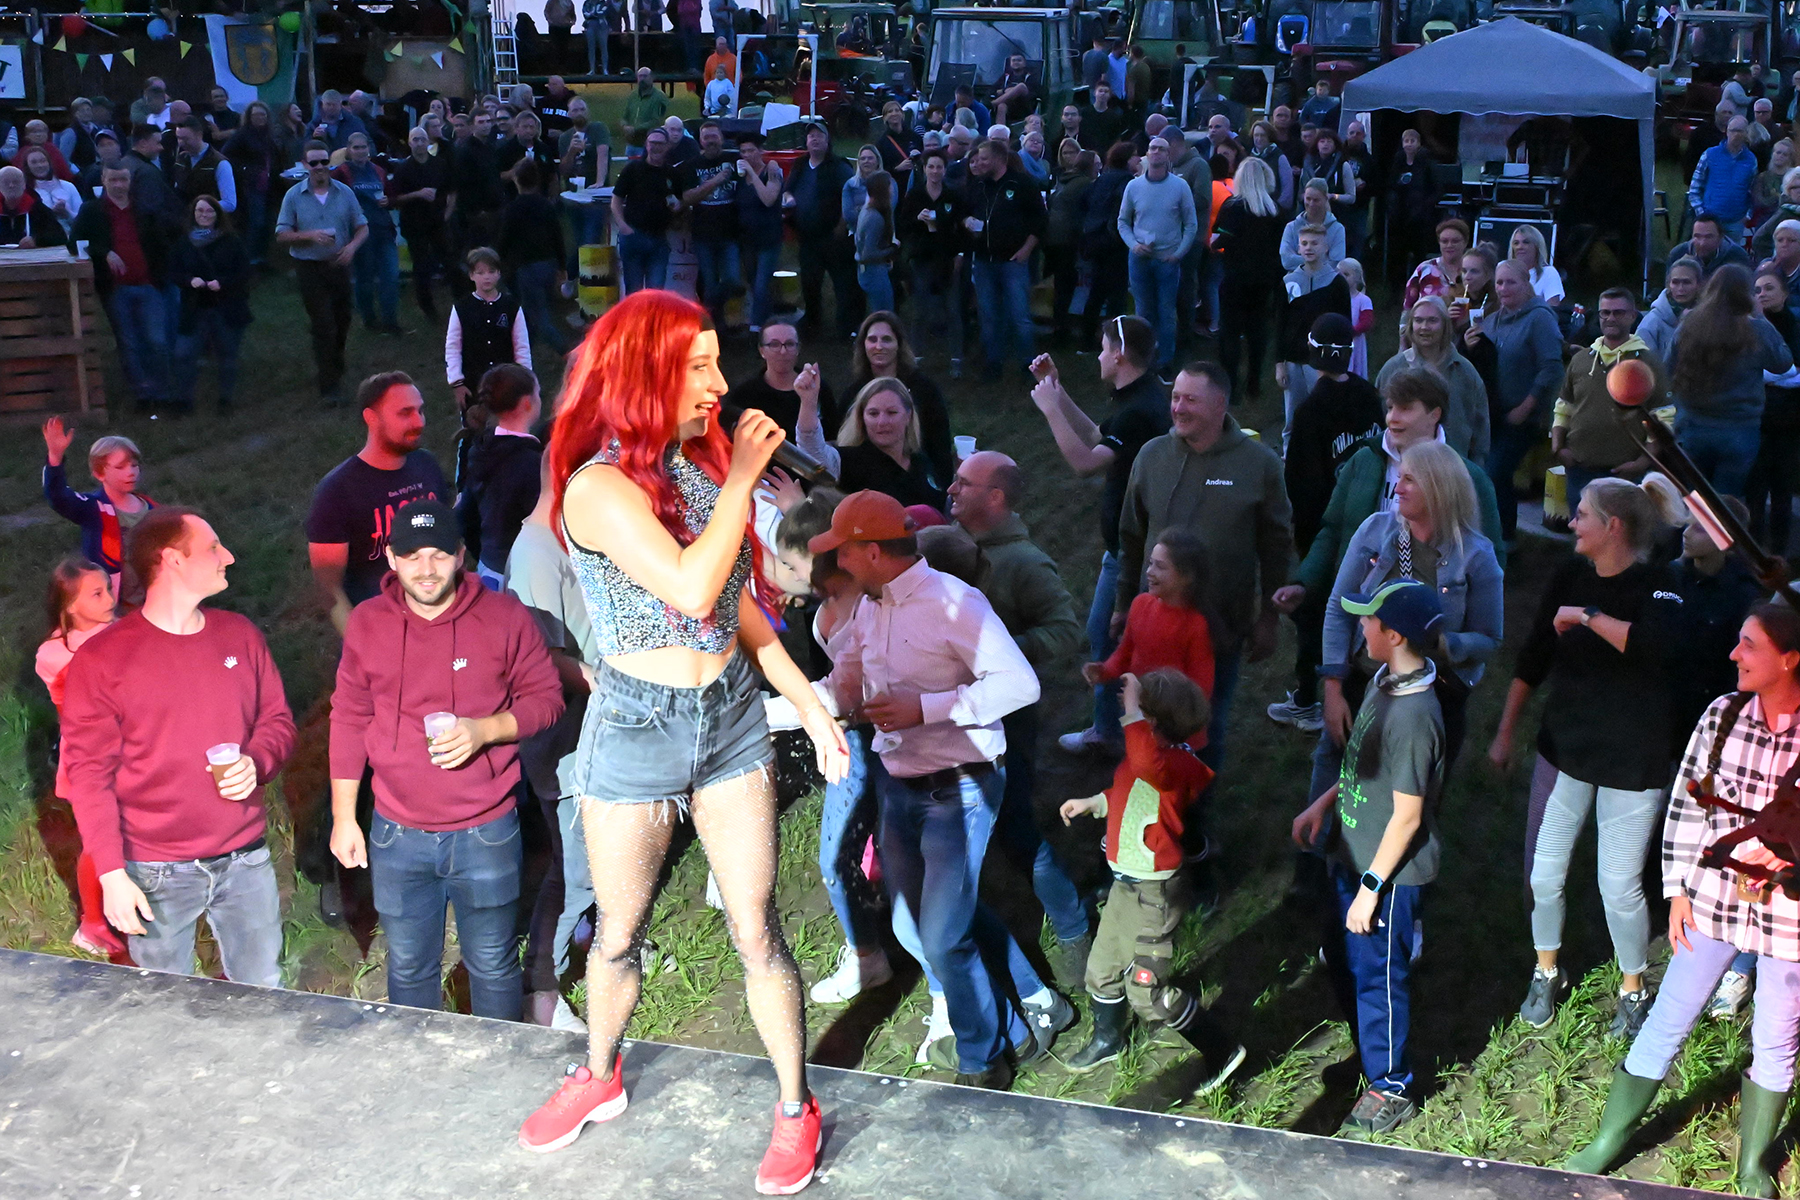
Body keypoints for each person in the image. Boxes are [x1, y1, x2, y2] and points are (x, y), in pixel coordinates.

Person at [517, 293, 849, 1198]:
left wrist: (810, 702)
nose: (719, 384)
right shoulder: (597, 488)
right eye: (697, 366)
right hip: (636, 725)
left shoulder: (696, 469)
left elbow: (735, 606)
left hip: (730, 718)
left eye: (715, 363)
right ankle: (599, 1073)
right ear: (645, 373)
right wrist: (742, 480)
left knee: (758, 929)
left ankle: (796, 1108)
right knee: (619, 931)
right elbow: (690, 590)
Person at [804, 490, 1055, 1090]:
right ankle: (1027, 1015)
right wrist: (771, 709)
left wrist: (928, 708)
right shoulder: (870, 609)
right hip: (900, 786)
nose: (835, 562)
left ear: (871, 552)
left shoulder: (954, 603)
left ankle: (981, 1059)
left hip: (960, 788)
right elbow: (844, 689)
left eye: (842, 551)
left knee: (941, 934)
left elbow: (1020, 684)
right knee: (920, 923)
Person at [1563, 605, 1800, 1196]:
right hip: (1714, 896)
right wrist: (1676, 890)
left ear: (1790, 660)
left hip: (1789, 910)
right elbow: (1688, 806)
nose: (1734, 654)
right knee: (1669, 1015)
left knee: (1776, 1037)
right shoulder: (1723, 715)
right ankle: (1609, 1137)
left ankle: (1752, 1164)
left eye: (1749, 645)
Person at [328, 496, 561, 1023]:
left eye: (438, 554)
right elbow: (349, 716)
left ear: (460, 555)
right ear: (392, 559)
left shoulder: (503, 617)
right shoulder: (367, 624)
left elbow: (546, 699)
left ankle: (498, 1060)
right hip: (396, 833)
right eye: (412, 556)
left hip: (486, 830)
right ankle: (419, 1062)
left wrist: (486, 730)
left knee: (493, 963)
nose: (426, 569)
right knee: (410, 965)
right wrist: (344, 816)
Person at [62, 506, 296, 988]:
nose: (228, 556)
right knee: (165, 1003)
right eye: (212, 548)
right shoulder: (103, 659)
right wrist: (111, 874)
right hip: (155, 869)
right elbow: (88, 775)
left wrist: (256, 761)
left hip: (245, 859)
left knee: (263, 991)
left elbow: (277, 721)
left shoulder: (240, 635)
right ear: (172, 560)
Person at [1489, 476, 1683, 1034]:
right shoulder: (1569, 573)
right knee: (1544, 874)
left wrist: (1587, 616)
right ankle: (1546, 971)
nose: (1571, 522)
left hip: (1632, 761)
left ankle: (1633, 987)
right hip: (1567, 751)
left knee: (1617, 885)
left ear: (1613, 527)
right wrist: (1505, 732)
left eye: (1582, 514)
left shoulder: (1660, 584)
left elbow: (1656, 648)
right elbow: (1534, 655)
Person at [1291, 579, 1446, 1136]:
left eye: (1367, 619)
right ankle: (1372, 1053)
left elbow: (1408, 817)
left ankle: (1391, 1085)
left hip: (1386, 878)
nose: (1360, 625)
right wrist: (1323, 803)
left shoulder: (1415, 718)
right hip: (1352, 855)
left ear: (1394, 635)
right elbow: (1360, 766)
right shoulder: (1385, 682)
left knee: (1379, 977)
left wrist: (1371, 888)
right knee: (1345, 962)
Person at [1059, 668, 1245, 1084]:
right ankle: (1108, 1040)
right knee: (1101, 967)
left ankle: (1221, 1049)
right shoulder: (1151, 763)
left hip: (1154, 894)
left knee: (1147, 993)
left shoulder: (1171, 765)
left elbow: (1145, 767)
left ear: (1151, 722)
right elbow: (1130, 793)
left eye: (1137, 714)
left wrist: (1132, 710)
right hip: (1126, 887)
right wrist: (1095, 802)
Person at [948, 451, 1091, 982]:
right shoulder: (950, 544)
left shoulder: (1024, 563)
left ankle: (1074, 929)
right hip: (950, 715)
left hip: (1006, 718)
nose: (952, 489)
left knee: (1015, 828)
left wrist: (1001, 650)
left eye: (964, 483)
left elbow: (1066, 630)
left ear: (996, 497)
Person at [1117, 361, 1291, 778]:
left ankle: (1194, 809)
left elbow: (1276, 546)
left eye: (1190, 400)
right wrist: (1122, 604)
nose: (1178, 408)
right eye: (1175, 397)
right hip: (1153, 625)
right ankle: (1145, 802)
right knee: (1145, 723)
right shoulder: (1152, 456)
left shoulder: (1259, 465)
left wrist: (1268, 617)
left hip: (1219, 628)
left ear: (1220, 405)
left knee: (1203, 727)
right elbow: (1130, 537)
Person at [505, 456, 600, 1033]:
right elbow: (543, 657)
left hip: (589, 736)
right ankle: (541, 990)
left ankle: (597, 940)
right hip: (563, 744)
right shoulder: (537, 554)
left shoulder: (565, 543)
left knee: (594, 859)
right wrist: (611, 684)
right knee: (574, 871)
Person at [306, 372, 450, 634]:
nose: (419, 421)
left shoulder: (426, 465)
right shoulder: (338, 491)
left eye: (420, 411)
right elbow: (328, 588)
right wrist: (363, 646)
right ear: (371, 418)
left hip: (440, 620)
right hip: (383, 630)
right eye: (405, 413)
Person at [36, 556, 124, 956]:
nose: (110, 599)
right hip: (91, 760)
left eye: (108, 589)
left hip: (132, 750)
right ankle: (92, 924)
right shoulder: (54, 653)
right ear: (70, 605)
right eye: (97, 594)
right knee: (99, 839)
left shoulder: (121, 632)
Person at [1671, 263, 1794, 498]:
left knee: (1693, 499)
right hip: (1739, 428)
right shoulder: (1757, 329)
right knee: (1727, 501)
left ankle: (1694, 524)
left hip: (1693, 425)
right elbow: (1783, 363)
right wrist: (1760, 315)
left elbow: (1668, 366)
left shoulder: (1690, 323)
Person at [69, 163, 175, 412]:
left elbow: (161, 243)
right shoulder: (92, 210)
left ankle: (162, 391)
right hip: (116, 287)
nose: (119, 185)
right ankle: (142, 393)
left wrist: (161, 275)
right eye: (113, 180)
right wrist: (103, 252)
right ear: (104, 180)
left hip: (148, 284)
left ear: (130, 181)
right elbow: (74, 242)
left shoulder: (143, 209)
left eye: (123, 180)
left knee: (157, 340)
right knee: (129, 342)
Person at [1550, 288, 1669, 499]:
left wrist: (1642, 462)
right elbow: (1563, 407)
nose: (1610, 318)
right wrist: (1558, 448)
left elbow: (1663, 418)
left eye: (1618, 313)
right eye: (1605, 313)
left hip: (1627, 474)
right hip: (1580, 471)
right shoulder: (1581, 360)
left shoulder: (1648, 363)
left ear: (1633, 316)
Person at [275, 140, 366, 406]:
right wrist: (309, 235)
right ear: (305, 164)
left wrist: (351, 248)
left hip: (339, 265)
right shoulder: (294, 195)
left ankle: (335, 363)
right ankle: (329, 387)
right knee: (323, 324)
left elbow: (362, 226)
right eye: (313, 162)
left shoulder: (344, 192)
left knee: (342, 320)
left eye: (324, 161)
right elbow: (282, 234)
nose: (319, 167)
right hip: (309, 268)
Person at [1484, 258, 1565, 541]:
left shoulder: (1539, 318)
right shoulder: (1492, 320)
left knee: (1496, 472)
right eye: (1499, 282)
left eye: (1511, 282)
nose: (1503, 288)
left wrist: (1527, 406)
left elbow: (1552, 367)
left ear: (1526, 284)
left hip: (1525, 416)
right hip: (1495, 414)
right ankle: (1490, 535)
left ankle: (1505, 538)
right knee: (1489, 474)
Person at [799, 376, 946, 510]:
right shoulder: (848, 462)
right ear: (862, 418)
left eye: (892, 412)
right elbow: (812, 451)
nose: (882, 422)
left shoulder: (921, 462)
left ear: (908, 416)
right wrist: (809, 401)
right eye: (873, 414)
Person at [1117, 136, 1197, 376]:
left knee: (1166, 312)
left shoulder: (1180, 186)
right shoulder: (1133, 187)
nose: (1157, 152)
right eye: (1153, 148)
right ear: (1147, 154)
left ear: (1168, 155)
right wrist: (1133, 245)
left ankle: (1165, 362)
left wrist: (1178, 254)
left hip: (1167, 260)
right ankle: (1144, 360)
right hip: (1139, 259)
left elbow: (1191, 224)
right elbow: (1123, 221)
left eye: (1162, 149)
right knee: (1143, 312)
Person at [458, 364, 544, 589]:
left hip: (489, 569)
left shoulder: (480, 450)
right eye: (538, 393)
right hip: (525, 574)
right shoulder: (531, 463)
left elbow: (465, 516)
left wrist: (485, 554)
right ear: (527, 402)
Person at [1376, 296, 1490, 461]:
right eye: (1418, 320)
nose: (1424, 327)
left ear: (1445, 325)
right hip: (1403, 466)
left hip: (1455, 466)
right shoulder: (1394, 368)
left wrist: (1477, 467)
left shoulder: (1465, 372)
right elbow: (1378, 422)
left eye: (1432, 320)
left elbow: (1481, 428)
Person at [1211, 157, 1284, 402]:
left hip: (1235, 278)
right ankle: (1254, 383)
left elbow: (1219, 238)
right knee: (1257, 330)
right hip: (1264, 280)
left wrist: (1216, 244)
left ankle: (1231, 386)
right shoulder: (1275, 210)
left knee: (1230, 333)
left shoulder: (1233, 207)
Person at [172, 194, 252, 414]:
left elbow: (244, 272)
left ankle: (226, 400)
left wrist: (223, 283)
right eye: (200, 210)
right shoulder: (184, 242)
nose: (204, 215)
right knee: (184, 354)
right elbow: (174, 271)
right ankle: (184, 400)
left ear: (217, 214)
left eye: (209, 211)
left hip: (226, 307)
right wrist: (190, 280)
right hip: (194, 308)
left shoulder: (232, 241)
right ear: (193, 214)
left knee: (227, 355)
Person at [41, 422, 154, 579]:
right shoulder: (92, 507)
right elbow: (58, 497)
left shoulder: (152, 508)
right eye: (120, 467)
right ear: (99, 474)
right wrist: (55, 457)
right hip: (109, 590)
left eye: (134, 465)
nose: (130, 472)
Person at [1276, 226, 1353, 444]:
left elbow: (1344, 325)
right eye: (1305, 243)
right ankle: (1289, 455)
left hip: (1324, 360)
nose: (1309, 248)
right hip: (1294, 358)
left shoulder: (1336, 282)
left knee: (1324, 411)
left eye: (1314, 243)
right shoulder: (1289, 282)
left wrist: (1340, 363)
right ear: (1298, 247)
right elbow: (1280, 324)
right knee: (1293, 414)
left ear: (1325, 247)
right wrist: (1279, 363)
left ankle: (1326, 454)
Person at [784, 123, 858, 339]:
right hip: (807, 238)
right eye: (811, 136)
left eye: (819, 135)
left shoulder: (838, 166)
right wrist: (788, 199)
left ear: (828, 141)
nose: (815, 139)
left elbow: (852, 196)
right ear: (806, 142)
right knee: (810, 283)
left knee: (842, 284)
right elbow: (788, 190)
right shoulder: (800, 165)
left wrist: (842, 226)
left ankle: (847, 327)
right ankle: (813, 324)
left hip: (833, 236)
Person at [899, 151, 966, 369]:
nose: (935, 171)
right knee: (919, 310)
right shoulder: (915, 195)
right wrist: (917, 220)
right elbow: (903, 226)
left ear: (945, 170)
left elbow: (961, 229)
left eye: (939, 167)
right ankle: (915, 357)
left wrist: (960, 255)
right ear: (925, 169)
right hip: (922, 259)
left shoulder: (952, 196)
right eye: (931, 167)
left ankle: (956, 358)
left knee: (953, 310)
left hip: (946, 260)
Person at [331, 132, 402, 337]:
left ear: (369, 149)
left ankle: (390, 321)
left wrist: (389, 201)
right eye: (356, 147)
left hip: (383, 230)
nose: (360, 151)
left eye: (363, 147)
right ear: (349, 150)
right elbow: (331, 198)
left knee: (391, 276)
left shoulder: (378, 170)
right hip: (359, 234)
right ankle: (369, 319)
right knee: (365, 278)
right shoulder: (341, 172)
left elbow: (392, 196)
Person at [446, 247, 533, 413]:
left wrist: (525, 380)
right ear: (471, 275)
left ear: (499, 274)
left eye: (491, 271)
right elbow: (453, 347)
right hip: (473, 384)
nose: (486, 277)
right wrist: (457, 382)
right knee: (475, 424)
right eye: (480, 272)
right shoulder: (461, 308)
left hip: (506, 384)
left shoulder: (511, 307)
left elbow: (522, 346)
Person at [725, 323, 837, 439]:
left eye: (790, 344)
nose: (783, 351)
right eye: (774, 345)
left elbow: (834, 437)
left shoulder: (817, 388)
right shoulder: (744, 394)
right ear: (762, 351)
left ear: (798, 348)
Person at [391, 126, 451, 323]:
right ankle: (428, 308)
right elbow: (395, 199)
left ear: (428, 142)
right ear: (409, 143)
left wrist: (447, 213)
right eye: (415, 139)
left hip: (437, 221)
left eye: (422, 139)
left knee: (449, 260)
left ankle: (463, 300)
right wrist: (417, 194)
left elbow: (450, 190)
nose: (419, 143)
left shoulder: (439, 164)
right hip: (414, 224)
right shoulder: (403, 169)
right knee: (421, 266)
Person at [1078, 142, 1136, 343]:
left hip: (1096, 240)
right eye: (1135, 155)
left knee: (1096, 292)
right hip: (1115, 243)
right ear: (1127, 159)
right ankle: (1115, 340)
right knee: (1117, 296)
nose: (1139, 159)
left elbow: (1084, 202)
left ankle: (1086, 339)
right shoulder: (1127, 181)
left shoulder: (1101, 179)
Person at [736, 133, 786, 333]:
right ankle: (767, 321)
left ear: (760, 152)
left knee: (761, 284)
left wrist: (752, 173)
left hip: (769, 238)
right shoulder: (739, 177)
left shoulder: (771, 172)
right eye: (743, 151)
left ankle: (755, 328)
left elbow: (768, 199)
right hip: (747, 239)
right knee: (753, 282)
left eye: (751, 150)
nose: (746, 155)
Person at [222, 102, 282, 265]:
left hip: (270, 186)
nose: (260, 118)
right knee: (256, 223)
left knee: (268, 222)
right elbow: (226, 155)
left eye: (263, 114)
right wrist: (246, 169)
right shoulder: (242, 135)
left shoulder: (269, 135)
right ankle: (249, 260)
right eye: (256, 115)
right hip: (252, 186)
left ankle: (262, 259)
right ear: (249, 117)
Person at [1688, 117, 1758, 244]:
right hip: (1710, 220)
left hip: (1736, 222)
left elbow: (1753, 190)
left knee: (1732, 254)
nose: (1736, 134)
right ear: (1726, 131)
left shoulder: (1751, 160)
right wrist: (1701, 213)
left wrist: (1747, 215)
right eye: (1733, 130)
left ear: (1746, 133)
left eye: (1740, 131)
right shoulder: (1710, 154)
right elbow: (1695, 186)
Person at [1639, 255, 1702, 363]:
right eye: (1675, 282)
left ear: (1699, 284)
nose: (1680, 288)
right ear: (1668, 285)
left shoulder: (1710, 317)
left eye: (1686, 282)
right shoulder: (1651, 323)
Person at [1278, 179, 1346, 272]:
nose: (1311, 204)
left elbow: (1335, 263)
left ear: (1326, 199)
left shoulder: (1337, 229)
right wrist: (1322, 260)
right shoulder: (1291, 227)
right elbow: (1287, 261)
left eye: (1316, 200)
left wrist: (1299, 259)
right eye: (1308, 199)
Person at [854, 170, 898, 316]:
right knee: (883, 314)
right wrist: (893, 248)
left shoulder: (868, 211)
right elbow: (868, 253)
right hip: (874, 272)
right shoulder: (874, 217)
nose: (892, 189)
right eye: (889, 185)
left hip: (870, 270)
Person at [1402, 218, 1469, 312]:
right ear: (1439, 243)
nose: (1449, 245)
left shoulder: (1474, 270)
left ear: (1465, 242)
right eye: (1444, 241)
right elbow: (1408, 309)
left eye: (1455, 241)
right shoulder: (1424, 270)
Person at [1669, 212, 1752, 280]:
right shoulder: (1678, 254)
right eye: (1697, 236)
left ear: (1721, 237)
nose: (1702, 243)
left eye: (1708, 237)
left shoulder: (1737, 256)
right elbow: (1669, 289)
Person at [1338, 258, 1374, 377]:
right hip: (1337, 341)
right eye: (1339, 274)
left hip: (1355, 341)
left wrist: (1350, 332)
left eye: (1346, 274)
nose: (1342, 278)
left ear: (1357, 277)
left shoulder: (1363, 300)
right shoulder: (1334, 298)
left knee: (1355, 370)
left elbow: (1366, 322)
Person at [621, 68, 669, 155]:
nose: (642, 79)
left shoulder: (659, 97)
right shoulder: (633, 96)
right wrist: (624, 126)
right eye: (640, 76)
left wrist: (635, 129)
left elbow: (656, 121)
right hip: (631, 143)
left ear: (652, 78)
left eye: (645, 76)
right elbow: (625, 116)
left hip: (647, 143)